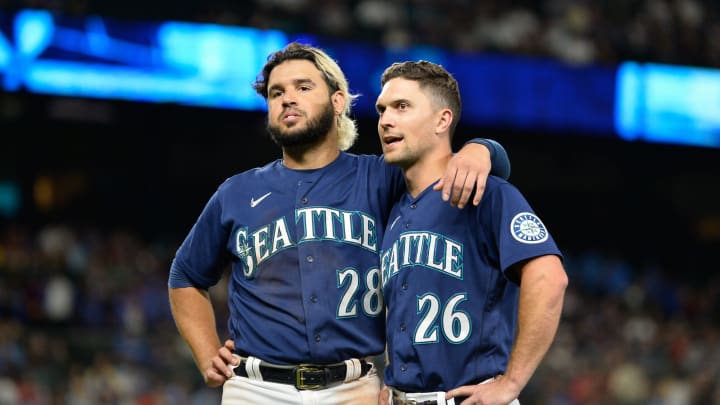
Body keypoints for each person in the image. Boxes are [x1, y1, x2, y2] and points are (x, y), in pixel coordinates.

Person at [167, 42, 511, 404]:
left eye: (303, 87)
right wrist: (206, 352)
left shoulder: (381, 177)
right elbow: (186, 275)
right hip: (256, 388)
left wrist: (483, 149)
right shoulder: (237, 192)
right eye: (275, 93)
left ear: (338, 101)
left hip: (353, 388)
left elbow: (451, 166)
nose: (286, 99)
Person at [375, 61, 567, 405]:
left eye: (402, 107)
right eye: (382, 109)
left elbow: (549, 278)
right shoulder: (393, 207)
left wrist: (511, 383)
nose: (386, 119)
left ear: (442, 119)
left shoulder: (490, 193)